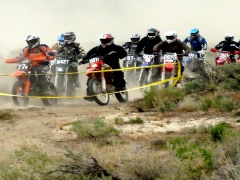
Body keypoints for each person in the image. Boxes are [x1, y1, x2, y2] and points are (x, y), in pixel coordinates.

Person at [79, 33, 127, 101]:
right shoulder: (97, 48)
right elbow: (89, 55)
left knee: (117, 72)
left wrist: (116, 54)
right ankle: (90, 93)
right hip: (98, 65)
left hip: (112, 65)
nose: (104, 42)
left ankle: (121, 86)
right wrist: (83, 61)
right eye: (102, 40)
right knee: (91, 76)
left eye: (106, 40)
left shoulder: (116, 47)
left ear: (110, 40)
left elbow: (123, 53)